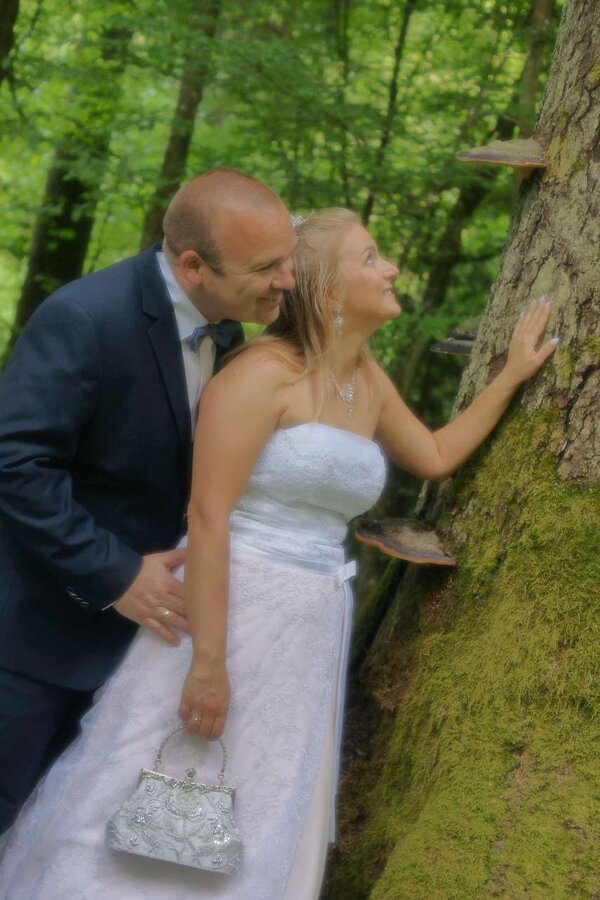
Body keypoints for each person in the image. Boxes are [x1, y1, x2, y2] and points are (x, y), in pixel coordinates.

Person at [0, 209, 557, 898]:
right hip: (230, 610)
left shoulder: (367, 378)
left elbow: (436, 455)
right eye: (371, 258)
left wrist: (511, 375)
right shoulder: (260, 372)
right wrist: (207, 663)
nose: (391, 269)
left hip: (311, 624)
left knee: (262, 797)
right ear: (326, 288)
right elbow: (208, 516)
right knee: (166, 785)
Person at [0, 168, 296, 835]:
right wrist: (115, 574)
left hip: (142, 660)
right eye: (266, 267)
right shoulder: (85, 317)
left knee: (50, 839)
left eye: (289, 258)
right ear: (194, 266)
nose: (287, 280)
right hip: (35, 643)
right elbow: (16, 464)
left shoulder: (230, 330)